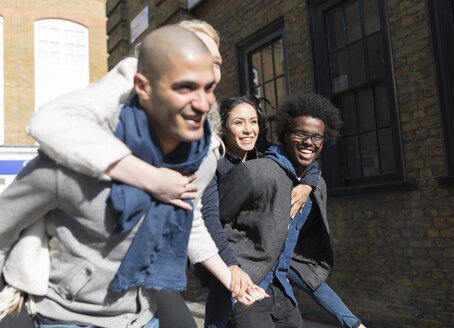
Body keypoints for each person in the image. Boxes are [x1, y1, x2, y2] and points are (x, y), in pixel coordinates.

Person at [0, 25, 265, 328]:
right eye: (185, 84)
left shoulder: (199, 156)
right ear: (143, 82)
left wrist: (230, 274)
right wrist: (150, 179)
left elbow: (189, 218)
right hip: (71, 316)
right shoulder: (72, 158)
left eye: (211, 76)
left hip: (141, 313)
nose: (203, 101)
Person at [200, 95, 365, 328]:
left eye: (253, 121)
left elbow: (299, 157)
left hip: (275, 283)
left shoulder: (265, 155)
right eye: (238, 122)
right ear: (222, 128)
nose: (248, 129)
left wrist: (308, 183)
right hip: (234, 271)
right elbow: (209, 220)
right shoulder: (215, 164)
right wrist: (231, 267)